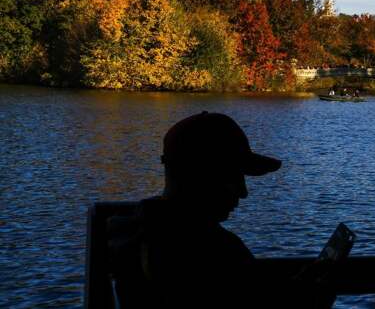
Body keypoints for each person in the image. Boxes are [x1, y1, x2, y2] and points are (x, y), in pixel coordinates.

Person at [107, 112, 336, 308]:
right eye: (232, 178)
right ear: (201, 175)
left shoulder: (135, 232)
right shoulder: (211, 249)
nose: (243, 192)